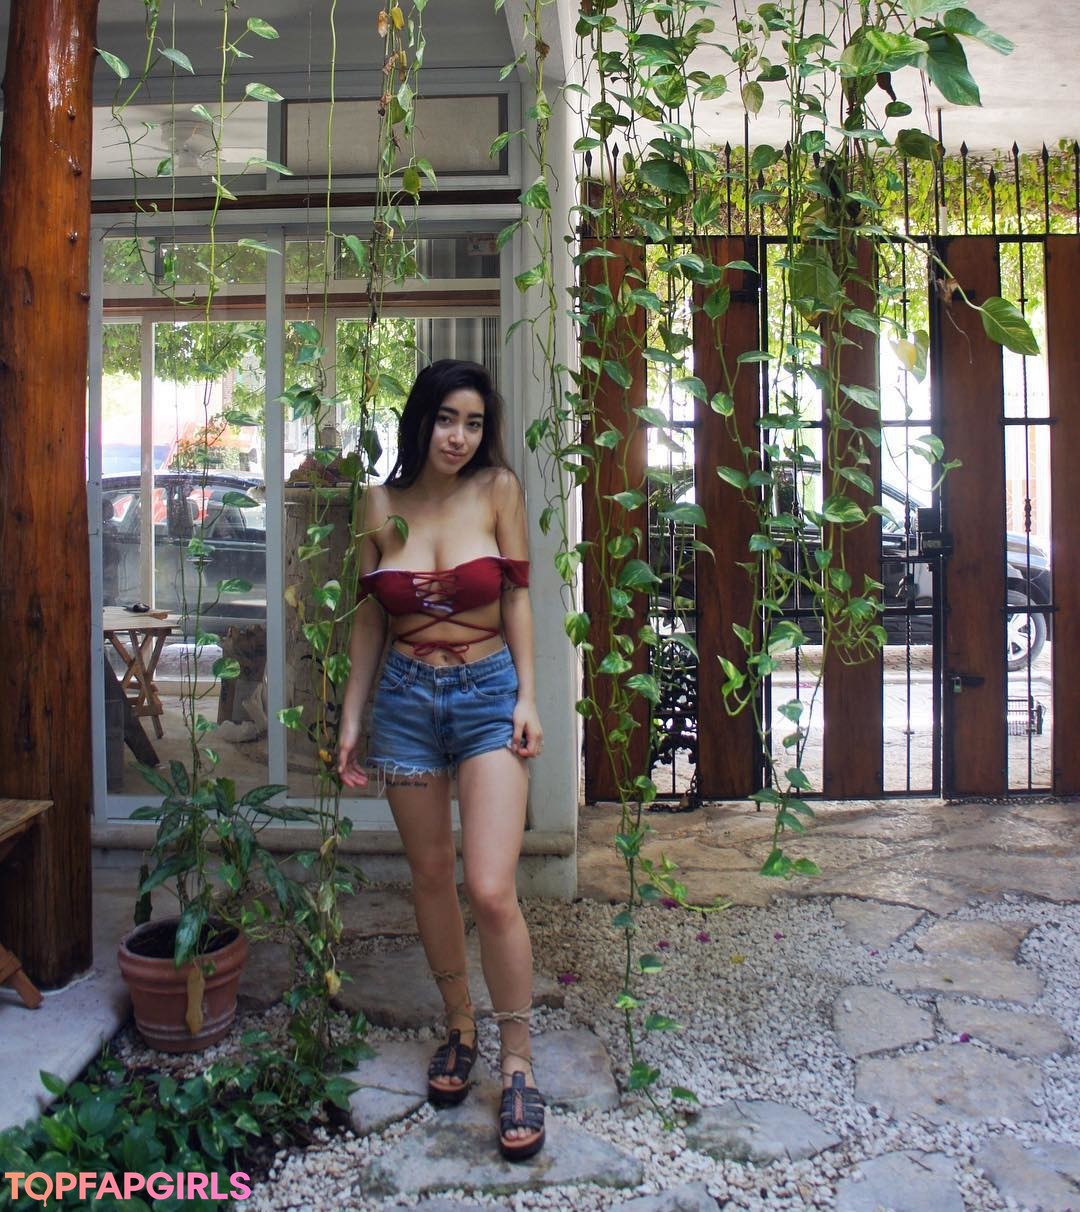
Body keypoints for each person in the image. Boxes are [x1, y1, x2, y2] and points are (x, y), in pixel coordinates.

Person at [337, 359, 546, 1161]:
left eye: (473, 423)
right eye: (447, 419)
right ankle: (460, 1027)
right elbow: (370, 619)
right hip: (405, 706)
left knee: (490, 888)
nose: (459, 437)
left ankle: (518, 1060)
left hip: (489, 695)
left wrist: (528, 697)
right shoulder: (378, 504)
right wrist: (352, 717)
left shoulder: (497, 490)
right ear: (420, 420)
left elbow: (517, 595)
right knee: (429, 876)